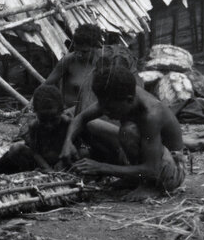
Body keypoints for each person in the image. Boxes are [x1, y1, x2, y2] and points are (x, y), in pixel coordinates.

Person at [61, 64, 187, 198]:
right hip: (151, 158)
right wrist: (67, 143)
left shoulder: (151, 115)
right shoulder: (118, 93)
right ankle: (134, 178)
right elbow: (81, 117)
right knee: (93, 124)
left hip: (171, 169)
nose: (105, 112)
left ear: (129, 99)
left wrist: (101, 167)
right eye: (102, 106)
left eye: (110, 108)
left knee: (128, 131)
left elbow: (152, 169)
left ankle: (151, 186)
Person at [0, 85, 72, 172]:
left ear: (61, 111)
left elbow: (72, 148)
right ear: (35, 113)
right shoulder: (34, 126)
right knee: (16, 149)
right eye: (43, 120)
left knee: (83, 153)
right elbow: (35, 152)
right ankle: (29, 171)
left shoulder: (68, 123)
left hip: (62, 159)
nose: (49, 125)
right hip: (41, 160)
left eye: (54, 119)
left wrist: (62, 162)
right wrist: (46, 168)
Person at [41, 22, 103, 112]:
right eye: (76, 50)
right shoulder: (68, 60)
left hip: (93, 114)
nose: (79, 55)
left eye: (84, 52)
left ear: (96, 47)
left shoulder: (103, 63)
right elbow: (45, 86)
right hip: (68, 113)